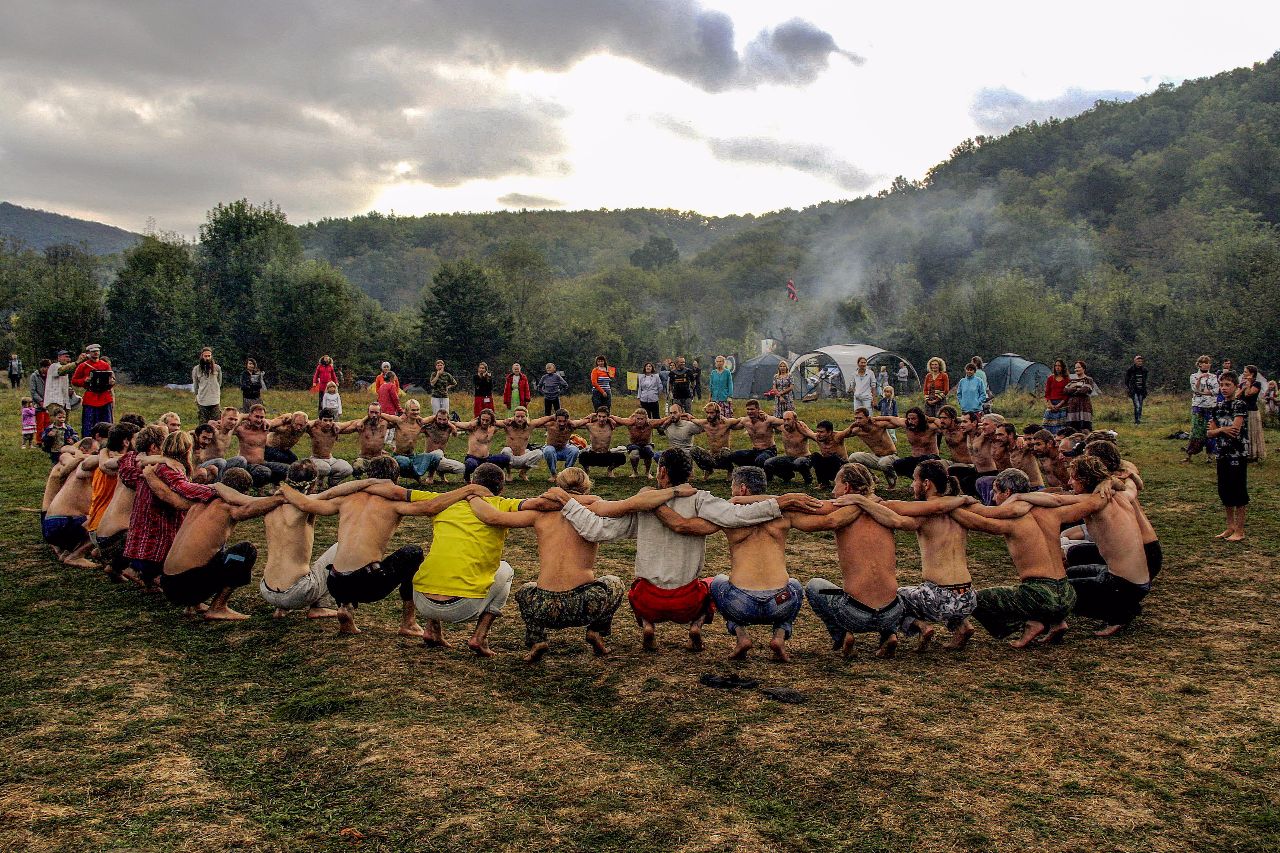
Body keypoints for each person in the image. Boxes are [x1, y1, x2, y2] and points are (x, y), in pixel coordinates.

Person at [559, 449, 819, 652]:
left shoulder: (642, 505)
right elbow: (737, 516)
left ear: (661, 472)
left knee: (634, 587)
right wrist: (779, 502)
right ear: (689, 474)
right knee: (710, 584)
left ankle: (648, 625)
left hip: (649, 601)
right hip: (687, 602)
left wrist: (566, 504)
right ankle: (696, 626)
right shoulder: (699, 499)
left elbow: (595, 530)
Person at [278, 456, 482, 635]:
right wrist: (467, 490)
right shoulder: (393, 502)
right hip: (367, 583)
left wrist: (286, 489)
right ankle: (408, 623)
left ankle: (345, 608)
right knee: (413, 553)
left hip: (336, 583)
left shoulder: (347, 499)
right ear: (395, 479)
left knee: (343, 550)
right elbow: (430, 507)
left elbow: (305, 504)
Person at [469, 468, 625, 663]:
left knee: (526, 590)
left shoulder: (539, 514)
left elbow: (493, 518)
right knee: (615, 583)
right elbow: (622, 506)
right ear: (585, 488)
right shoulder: (593, 509)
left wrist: (471, 496)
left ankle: (537, 640)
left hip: (543, 607)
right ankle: (596, 631)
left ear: (558, 486)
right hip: (585, 604)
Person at [949, 468, 1105, 647]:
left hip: (1040, 594)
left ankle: (1030, 624)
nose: (993, 498)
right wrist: (1107, 484)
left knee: (975, 599)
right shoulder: (1053, 512)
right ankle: (1056, 622)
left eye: (995, 492)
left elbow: (979, 522)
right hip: (1068, 593)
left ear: (1007, 493)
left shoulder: (1012, 520)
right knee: (1041, 598)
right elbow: (1093, 503)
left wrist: (947, 508)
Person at [842, 459, 979, 651]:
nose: (911, 485)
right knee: (933, 593)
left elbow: (897, 521)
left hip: (939, 598)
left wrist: (860, 500)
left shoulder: (924, 513)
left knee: (894, 598)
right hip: (968, 598)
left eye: (914, 480)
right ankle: (962, 625)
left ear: (926, 483)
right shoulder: (958, 509)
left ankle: (921, 627)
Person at [803, 462, 916, 658]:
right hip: (892, 612)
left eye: (835, 485)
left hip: (854, 614)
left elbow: (809, 512)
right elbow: (920, 513)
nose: (832, 491)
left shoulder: (837, 510)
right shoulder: (887, 509)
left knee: (814, 586)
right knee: (899, 590)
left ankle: (842, 634)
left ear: (846, 487)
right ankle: (889, 633)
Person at [153, 467, 278, 619]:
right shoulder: (228, 507)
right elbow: (249, 509)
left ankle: (194, 605)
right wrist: (280, 500)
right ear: (242, 493)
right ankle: (218, 607)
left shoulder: (199, 503)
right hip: (186, 586)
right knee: (246, 551)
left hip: (168, 583)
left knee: (216, 549)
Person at [119, 430, 211, 590]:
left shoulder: (151, 466)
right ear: (187, 450)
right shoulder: (168, 468)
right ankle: (159, 580)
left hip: (141, 535)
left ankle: (146, 577)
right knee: (171, 564)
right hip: (156, 533)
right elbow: (184, 488)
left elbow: (127, 471)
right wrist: (215, 491)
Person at [258, 460, 338, 621]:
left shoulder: (269, 505)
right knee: (341, 546)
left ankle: (281, 608)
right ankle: (321, 606)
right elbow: (333, 494)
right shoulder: (307, 504)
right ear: (313, 483)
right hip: (298, 592)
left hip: (267, 590)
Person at [96, 425, 165, 582]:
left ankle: (115, 567)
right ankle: (148, 576)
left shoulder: (128, 458)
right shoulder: (152, 470)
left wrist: (103, 451)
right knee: (160, 532)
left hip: (101, 535)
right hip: (120, 539)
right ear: (154, 447)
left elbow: (105, 465)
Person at [42, 440, 102, 568]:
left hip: (49, 522)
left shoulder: (72, 462)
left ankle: (66, 552)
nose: (96, 455)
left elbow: (66, 450)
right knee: (101, 522)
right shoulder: (83, 466)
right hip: (62, 523)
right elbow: (65, 453)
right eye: (95, 452)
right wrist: (83, 458)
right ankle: (76, 556)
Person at [1208, 371, 1249, 541]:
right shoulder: (1217, 407)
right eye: (1222, 385)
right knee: (1225, 491)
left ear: (1235, 386)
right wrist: (1222, 430)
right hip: (1222, 453)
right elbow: (1210, 433)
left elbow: (1235, 430)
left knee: (1238, 491)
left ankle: (1240, 530)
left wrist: (1220, 430)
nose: (1224, 388)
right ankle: (1229, 527)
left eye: (1228, 385)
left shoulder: (1240, 405)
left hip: (1237, 454)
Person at [225, 404, 291, 487]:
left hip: (262, 463)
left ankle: (273, 486)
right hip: (247, 465)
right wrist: (242, 416)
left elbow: (284, 419)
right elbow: (230, 428)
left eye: (261, 417)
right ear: (250, 416)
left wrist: (288, 416)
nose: (259, 420)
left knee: (287, 469)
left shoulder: (265, 427)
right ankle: (250, 488)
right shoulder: (241, 429)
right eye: (256, 417)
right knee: (264, 472)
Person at [381, 400, 432, 481]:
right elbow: (381, 414)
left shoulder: (420, 423)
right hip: (398, 455)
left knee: (434, 456)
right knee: (405, 461)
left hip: (412, 455)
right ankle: (396, 474)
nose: (416, 412)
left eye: (417, 410)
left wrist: (452, 426)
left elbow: (435, 416)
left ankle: (418, 475)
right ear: (406, 411)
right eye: (413, 410)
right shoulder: (399, 421)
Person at [611, 407, 669, 478]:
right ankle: (635, 472)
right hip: (634, 445)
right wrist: (609, 417)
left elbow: (662, 420)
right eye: (638, 419)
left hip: (647, 444)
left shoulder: (650, 423)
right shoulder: (630, 423)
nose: (639, 421)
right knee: (634, 454)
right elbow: (617, 419)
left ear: (646, 419)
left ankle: (647, 472)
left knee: (649, 451)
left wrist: (678, 416)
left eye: (642, 419)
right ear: (635, 418)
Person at [848, 407, 899, 488]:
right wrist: (851, 426)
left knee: (884, 463)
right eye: (856, 418)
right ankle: (872, 477)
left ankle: (892, 477)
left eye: (860, 418)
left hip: (891, 457)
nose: (857, 421)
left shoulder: (879, 425)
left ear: (868, 418)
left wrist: (877, 418)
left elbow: (897, 423)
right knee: (853, 457)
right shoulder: (857, 430)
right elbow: (842, 435)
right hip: (876, 457)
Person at [455, 409, 512, 481]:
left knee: (505, 458)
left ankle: (495, 475)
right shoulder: (473, 427)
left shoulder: (492, 428)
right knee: (471, 464)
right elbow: (459, 424)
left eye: (487, 420)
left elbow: (507, 422)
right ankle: (467, 477)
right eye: (483, 420)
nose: (484, 422)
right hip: (473, 458)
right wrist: (451, 424)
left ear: (491, 421)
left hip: (487, 458)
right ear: (479, 419)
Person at [71, 343, 114, 435]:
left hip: (104, 397)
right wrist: (84, 380)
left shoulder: (105, 365)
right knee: (89, 424)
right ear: (89, 353)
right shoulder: (83, 366)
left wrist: (111, 382)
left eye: (97, 351)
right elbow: (74, 380)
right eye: (93, 351)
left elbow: (112, 378)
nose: (96, 353)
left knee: (107, 423)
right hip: (91, 397)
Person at [305, 409, 354, 488]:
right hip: (316, 459)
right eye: (325, 420)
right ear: (320, 420)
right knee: (325, 468)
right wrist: (315, 421)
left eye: (330, 420)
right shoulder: (314, 429)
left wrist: (362, 421)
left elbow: (353, 423)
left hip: (330, 459)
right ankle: (317, 483)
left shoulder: (336, 427)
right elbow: (303, 424)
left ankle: (332, 483)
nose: (328, 423)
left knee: (347, 469)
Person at [762, 411, 813, 486]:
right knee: (768, 463)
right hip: (789, 458)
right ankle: (787, 475)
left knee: (799, 462)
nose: (786, 422)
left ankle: (808, 479)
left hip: (804, 458)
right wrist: (762, 415)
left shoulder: (802, 429)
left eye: (788, 419)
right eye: (784, 420)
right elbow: (770, 421)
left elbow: (816, 437)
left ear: (795, 420)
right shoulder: (782, 427)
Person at [1184, 355, 1220, 462]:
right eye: (1204, 362)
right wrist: (1200, 379)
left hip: (1211, 406)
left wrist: (1203, 392)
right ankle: (1190, 454)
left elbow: (1216, 390)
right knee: (1196, 431)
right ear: (1199, 364)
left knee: (1210, 430)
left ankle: (1210, 455)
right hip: (1198, 406)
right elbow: (1195, 389)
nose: (1206, 364)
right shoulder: (1193, 376)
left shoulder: (1213, 377)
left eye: (1208, 362)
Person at [688, 403, 738, 479]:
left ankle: (730, 470)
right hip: (711, 456)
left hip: (723, 456)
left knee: (726, 452)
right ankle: (708, 469)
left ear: (718, 413)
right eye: (707, 413)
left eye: (711, 413)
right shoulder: (705, 423)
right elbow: (692, 419)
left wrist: (761, 415)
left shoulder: (726, 423)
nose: (709, 415)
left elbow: (742, 420)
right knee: (693, 450)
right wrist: (686, 415)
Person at [531, 408, 582, 480]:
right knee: (549, 449)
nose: (562, 423)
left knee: (575, 450)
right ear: (555, 419)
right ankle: (553, 474)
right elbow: (534, 422)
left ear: (567, 420)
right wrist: (551, 417)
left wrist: (592, 416)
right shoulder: (550, 424)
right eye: (559, 421)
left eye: (564, 421)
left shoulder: (571, 425)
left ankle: (566, 474)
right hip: (551, 450)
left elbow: (585, 421)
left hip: (564, 450)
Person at [803, 419, 855, 489]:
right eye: (817, 431)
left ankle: (842, 483)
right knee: (815, 456)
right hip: (828, 468)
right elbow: (805, 431)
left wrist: (857, 423)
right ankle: (824, 483)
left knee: (833, 458)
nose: (818, 434)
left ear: (830, 432)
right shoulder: (818, 438)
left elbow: (850, 430)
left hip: (843, 468)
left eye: (821, 432)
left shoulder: (837, 437)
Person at [574, 407, 625, 476]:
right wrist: (589, 416)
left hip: (606, 454)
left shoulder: (611, 425)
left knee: (621, 457)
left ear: (607, 417)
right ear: (596, 416)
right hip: (593, 454)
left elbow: (624, 422)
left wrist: (611, 418)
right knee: (582, 456)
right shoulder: (590, 425)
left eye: (604, 417)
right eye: (599, 416)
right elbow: (576, 424)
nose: (601, 419)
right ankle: (586, 470)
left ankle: (610, 470)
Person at [496, 407, 544, 481]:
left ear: (526, 417)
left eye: (522, 417)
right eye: (517, 416)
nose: (520, 419)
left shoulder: (530, 425)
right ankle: (509, 473)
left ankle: (523, 472)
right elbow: (493, 421)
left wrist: (555, 417)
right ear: (513, 417)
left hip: (523, 457)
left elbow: (545, 420)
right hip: (511, 458)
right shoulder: (507, 425)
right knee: (505, 450)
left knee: (539, 453)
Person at [1240, 365, 1266, 462]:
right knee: (1244, 432)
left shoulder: (1257, 384)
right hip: (1243, 410)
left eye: (1245, 372)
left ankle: (1253, 454)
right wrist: (1243, 386)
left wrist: (1249, 383)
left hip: (1252, 411)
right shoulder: (1242, 383)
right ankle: (1244, 452)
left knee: (1252, 432)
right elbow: (1238, 394)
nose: (1244, 373)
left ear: (1252, 374)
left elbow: (1248, 394)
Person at [192, 347, 222, 425]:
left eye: (209, 356)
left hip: (214, 400)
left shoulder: (217, 368)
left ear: (211, 356)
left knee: (216, 423)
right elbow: (195, 385)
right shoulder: (196, 369)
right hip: (202, 400)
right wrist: (196, 396)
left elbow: (219, 382)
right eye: (205, 356)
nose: (207, 358)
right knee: (203, 424)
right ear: (202, 356)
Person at [1063, 361, 1096, 434]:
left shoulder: (1088, 379)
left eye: (1078, 367)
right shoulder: (1072, 380)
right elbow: (1065, 390)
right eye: (1075, 368)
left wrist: (1073, 389)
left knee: (1085, 428)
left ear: (1083, 369)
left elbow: (1085, 390)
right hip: (1072, 407)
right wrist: (1078, 387)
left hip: (1084, 406)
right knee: (1072, 428)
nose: (1076, 369)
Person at [1043, 359, 1069, 434]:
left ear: (1063, 367)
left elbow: (1066, 395)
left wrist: (1059, 405)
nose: (1057, 367)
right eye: (1056, 366)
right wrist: (1050, 404)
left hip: (1062, 404)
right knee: (1046, 425)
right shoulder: (1050, 378)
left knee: (1061, 426)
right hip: (1051, 404)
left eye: (1059, 366)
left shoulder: (1067, 379)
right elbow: (1047, 393)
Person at [1124, 355, 1148, 426]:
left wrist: (1144, 389)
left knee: (1140, 405)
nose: (1140, 362)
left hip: (1141, 390)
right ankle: (1136, 420)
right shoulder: (1130, 370)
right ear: (1135, 361)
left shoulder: (1144, 370)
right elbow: (1126, 380)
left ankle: (1138, 419)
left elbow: (1145, 381)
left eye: (1141, 361)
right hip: (1134, 390)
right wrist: (1130, 388)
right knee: (1136, 405)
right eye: (1138, 361)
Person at [30, 358, 50, 438]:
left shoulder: (50, 376)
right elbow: (33, 391)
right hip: (38, 404)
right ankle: (39, 440)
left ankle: (46, 439)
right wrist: (40, 401)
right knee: (40, 423)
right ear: (42, 367)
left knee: (48, 422)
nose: (48, 369)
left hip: (48, 402)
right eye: (47, 367)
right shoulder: (34, 376)